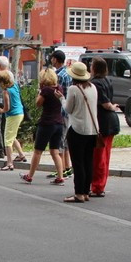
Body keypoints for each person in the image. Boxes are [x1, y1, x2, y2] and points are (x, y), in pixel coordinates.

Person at [62, 61, 98, 203]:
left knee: (78, 162)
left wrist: (61, 99)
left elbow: (68, 109)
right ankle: (86, 191)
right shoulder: (93, 87)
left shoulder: (73, 89)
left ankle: (79, 193)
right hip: (93, 130)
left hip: (78, 129)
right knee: (88, 161)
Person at [21, 68, 65, 185]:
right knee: (55, 151)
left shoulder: (45, 90)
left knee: (38, 151)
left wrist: (40, 92)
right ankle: (60, 176)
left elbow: (38, 103)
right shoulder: (59, 88)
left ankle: (30, 175)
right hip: (59, 123)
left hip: (47, 122)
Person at [89, 57, 120, 198]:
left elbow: (105, 104)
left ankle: (97, 186)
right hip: (111, 122)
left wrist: (112, 107)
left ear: (95, 68)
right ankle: (101, 184)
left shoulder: (95, 83)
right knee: (106, 155)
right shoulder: (108, 81)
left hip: (102, 121)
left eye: (91, 65)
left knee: (98, 156)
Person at [49, 50, 74, 180]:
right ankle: (67, 167)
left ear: (55, 60)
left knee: (59, 142)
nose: (51, 59)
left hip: (60, 111)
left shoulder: (58, 75)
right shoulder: (68, 73)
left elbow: (56, 94)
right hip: (68, 110)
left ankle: (61, 169)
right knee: (65, 141)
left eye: (52, 58)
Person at [1, 72, 25, 170]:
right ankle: (21, 155)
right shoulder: (14, 86)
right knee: (12, 136)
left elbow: (7, 108)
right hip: (20, 113)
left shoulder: (6, 91)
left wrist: (0, 110)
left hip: (12, 116)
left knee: (7, 140)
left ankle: (9, 163)